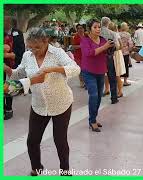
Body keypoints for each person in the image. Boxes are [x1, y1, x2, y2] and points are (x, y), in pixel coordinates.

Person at [4, 27, 80, 176]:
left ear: (46, 41)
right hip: (38, 105)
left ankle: (65, 171)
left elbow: (75, 68)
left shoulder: (57, 53)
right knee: (32, 141)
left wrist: (53, 69)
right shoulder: (27, 55)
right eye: (30, 47)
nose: (34, 51)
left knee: (60, 141)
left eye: (37, 47)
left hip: (61, 103)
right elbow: (18, 73)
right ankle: (36, 168)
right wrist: (7, 69)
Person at [81, 19, 115, 132]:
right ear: (89, 29)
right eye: (95, 27)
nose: (98, 29)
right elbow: (89, 53)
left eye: (99, 27)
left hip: (101, 71)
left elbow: (107, 52)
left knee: (99, 96)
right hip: (88, 72)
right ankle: (92, 121)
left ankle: (93, 118)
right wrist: (104, 47)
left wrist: (111, 47)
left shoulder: (103, 40)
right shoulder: (85, 40)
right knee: (94, 95)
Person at [4, 16, 25, 120]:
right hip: (3, 64)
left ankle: (9, 109)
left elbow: (21, 49)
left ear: (10, 23)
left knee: (9, 86)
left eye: (5, 21)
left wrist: (15, 59)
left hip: (12, 64)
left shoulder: (18, 33)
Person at [100, 17, 119, 104]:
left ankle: (96, 96)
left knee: (97, 77)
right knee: (112, 77)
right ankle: (114, 98)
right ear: (108, 23)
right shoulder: (112, 33)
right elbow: (117, 46)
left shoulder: (96, 33)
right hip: (109, 57)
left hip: (98, 57)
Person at [108, 22, 126, 97]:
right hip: (116, 54)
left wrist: (114, 49)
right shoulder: (116, 34)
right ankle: (119, 91)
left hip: (116, 54)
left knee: (117, 74)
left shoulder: (114, 34)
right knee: (116, 74)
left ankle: (120, 91)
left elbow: (121, 46)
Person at [71, 24, 85, 88]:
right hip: (78, 56)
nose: (80, 29)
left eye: (81, 28)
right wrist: (80, 46)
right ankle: (81, 82)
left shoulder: (86, 35)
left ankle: (85, 81)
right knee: (81, 69)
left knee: (85, 69)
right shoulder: (76, 36)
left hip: (86, 55)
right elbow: (73, 47)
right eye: (78, 28)